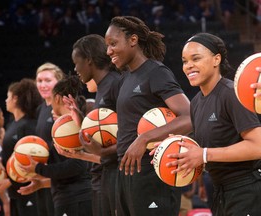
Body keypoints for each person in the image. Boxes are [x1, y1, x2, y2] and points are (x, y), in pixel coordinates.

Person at [104, 16, 192, 216]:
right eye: (107, 46)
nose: (109, 51)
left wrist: (144, 138)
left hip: (151, 170)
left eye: (113, 44)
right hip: (126, 172)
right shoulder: (126, 78)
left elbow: (189, 117)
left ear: (133, 40)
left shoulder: (156, 72)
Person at [167, 32, 261, 215]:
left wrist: (203, 154)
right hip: (218, 189)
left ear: (216, 59)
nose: (188, 66)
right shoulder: (195, 103)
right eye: (185, 61)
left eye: (196, 58)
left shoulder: (231, 94)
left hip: (246, 189)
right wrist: (173, 146)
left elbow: (258, 146)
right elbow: (205, 144)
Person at [18, 75, 93, 216]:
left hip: (76, 199)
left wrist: (39, 169)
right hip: (70, 198)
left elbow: (78, 165)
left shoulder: (71, 126)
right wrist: (42, 183)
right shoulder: (64, 126)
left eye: (51, 100)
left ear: (57, 98)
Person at [67, 34, 123, 216]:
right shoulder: (103, 87)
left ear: (89, 60)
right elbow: (104, 132)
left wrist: (103, 151)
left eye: (76, 63)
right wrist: (81, 119)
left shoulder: (115, 83)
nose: (75, 69)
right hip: (108, 170)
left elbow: (131, 131)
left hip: (120, 172)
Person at [0, 78, 42, 216]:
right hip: (14, 190)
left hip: (28, 189)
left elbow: (32, 159)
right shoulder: (12, 123)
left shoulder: (29, 125)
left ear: (15, 99)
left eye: (7, 97)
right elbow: (8, 150)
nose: (5, 101)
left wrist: (9, 180)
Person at [34, 62, 64, 216]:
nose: (43, 85)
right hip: (46, 178)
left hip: (63, 176)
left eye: (48, 80)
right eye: (39, 81)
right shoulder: (41, 109)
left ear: (58, 82)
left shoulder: (64, 106)